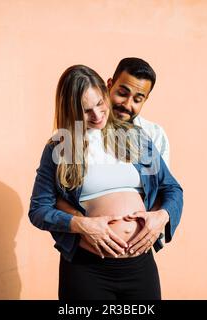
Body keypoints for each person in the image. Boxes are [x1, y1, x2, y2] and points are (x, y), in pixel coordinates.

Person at [28, 65, 183, 300]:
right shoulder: (62, 147)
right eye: (86, 110)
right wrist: (82, 225)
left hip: (139, 267)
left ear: (105, 92)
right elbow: (39, 210)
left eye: (100, 104)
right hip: (87, 269)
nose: (98, 116)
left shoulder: (136, 137)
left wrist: (161, 217)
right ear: (70, 110)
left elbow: (171, 188)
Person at [57, 57, 172, 256]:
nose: (127, 104)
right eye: (122, 93)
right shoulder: (70, 139)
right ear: (109, 85)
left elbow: (165, 189)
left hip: (138, 260)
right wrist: (82, 223)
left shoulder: (149, 136)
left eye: (137, 99)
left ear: (145, 99)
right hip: (89, 261)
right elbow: (51, 199)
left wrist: (159, 218)